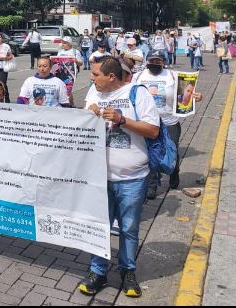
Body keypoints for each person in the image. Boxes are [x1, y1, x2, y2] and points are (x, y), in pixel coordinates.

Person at [78, 56, 160, 299]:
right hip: (98, 177)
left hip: (132, 178)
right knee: (99, 226)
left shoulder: (138, 93)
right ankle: (97, 272)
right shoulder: (93, 92)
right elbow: (82, 127)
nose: (91, 79)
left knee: (129, 228)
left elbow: (153, 131)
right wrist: (88, 116)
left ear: (111, 76)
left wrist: (121, 120)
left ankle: (128, 271)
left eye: (95, 75)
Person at [132, 51, 201, 200]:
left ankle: (174, 171)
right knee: (150, 154)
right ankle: (152, 185)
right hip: (148, 123)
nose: (155, 64)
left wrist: (196, 97)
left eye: (158, 61)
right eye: (152, 60)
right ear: (146, 61)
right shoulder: (138, 77)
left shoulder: (172, 76)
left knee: (172, 152)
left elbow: (187, 92)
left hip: (169, 123)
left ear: (164, 62)